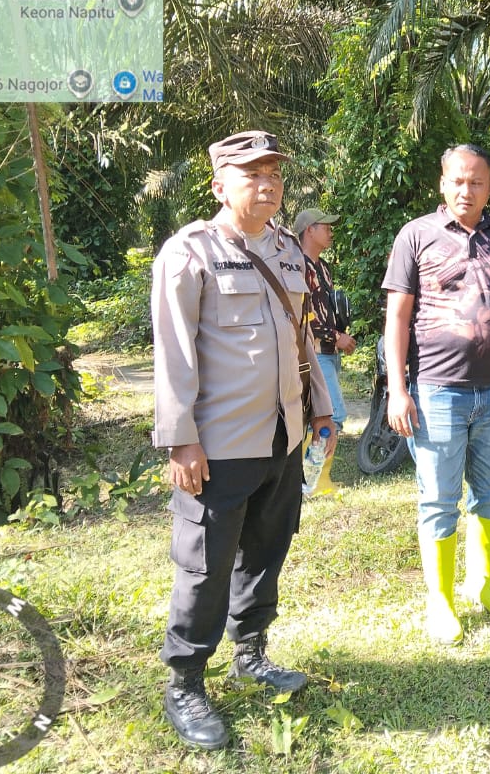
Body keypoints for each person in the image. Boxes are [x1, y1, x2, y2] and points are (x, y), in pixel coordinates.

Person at [151, 130, 337, 749]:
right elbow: (173, 353)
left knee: (265, 549)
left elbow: (302, 338)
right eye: (252, 174)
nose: (267, 184)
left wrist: (321, 408)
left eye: (274, 174)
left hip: (283, 436)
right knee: (205, 565)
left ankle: (251, 653)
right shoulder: (190, 253)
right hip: (220, 444)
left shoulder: (287, 251)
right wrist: (181, 441)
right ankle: (185, 682)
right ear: (218, 186)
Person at [382, 144, 490, 645]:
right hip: (436, 390)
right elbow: (397, 317)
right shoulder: (416, 235)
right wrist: (398, 390)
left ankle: (485, 586)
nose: (467, 190)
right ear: (443, 184)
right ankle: (440, 599)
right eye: (458, 181)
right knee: (439, 500)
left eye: (477, 182)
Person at [295, 207, 356, 494]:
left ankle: (313, 479)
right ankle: (311, 481)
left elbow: (326, 308)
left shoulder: (323, 267)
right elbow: (301, 314)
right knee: (331, 414)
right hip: (314, 351)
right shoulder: (297, 266)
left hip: (328, 350)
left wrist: (339, 335)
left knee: (324, 414)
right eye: (326, 227)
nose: (331, 232)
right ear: (309, 230)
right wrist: (335, 336)